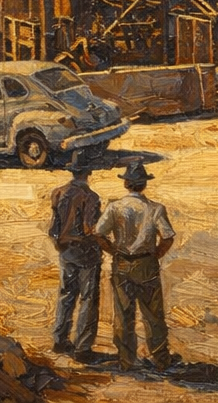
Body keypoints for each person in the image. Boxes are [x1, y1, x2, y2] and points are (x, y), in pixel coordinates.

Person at [95, 161, 176, 372]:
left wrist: (113, 250)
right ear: (144, 185)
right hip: (146, 264)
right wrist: (155, 255)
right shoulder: (156, 209)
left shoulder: (115, 207)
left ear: (126, 184)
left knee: (123, 314)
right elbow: (167, 238)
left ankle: (126, 361)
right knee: (153, 315)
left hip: (122, 263)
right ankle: (160, 360)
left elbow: (98, 233)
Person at [50, 151, 103, 360]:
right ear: (88, 173)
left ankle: (59, 340)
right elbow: (89, 228)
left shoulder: (58, 192)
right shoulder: (91, 197)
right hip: (86, 252)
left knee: (66, 295)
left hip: (65, 250)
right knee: (88, 299)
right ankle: (82, 347)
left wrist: (59, 244)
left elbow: (53, 227)